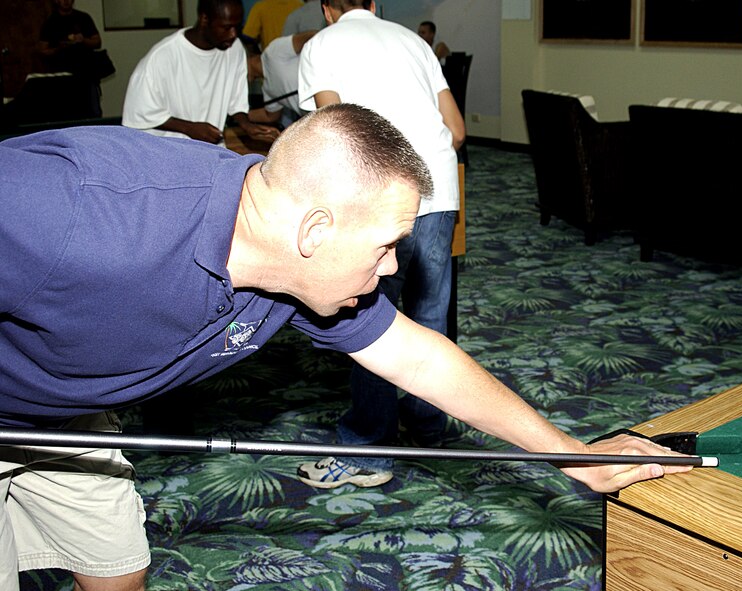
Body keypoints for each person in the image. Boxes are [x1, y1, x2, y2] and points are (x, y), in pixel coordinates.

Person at [0, 103, 691, 590]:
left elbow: (419, 358)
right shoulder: (77, 208)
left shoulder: (296, 273)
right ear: (315, 232)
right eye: (385, 245)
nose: (393, 267)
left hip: (67, 411)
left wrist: (571, 456)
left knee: (117, 570)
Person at [295, 0, 465, 488]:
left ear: (329, 9)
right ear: (373, 4)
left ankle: (369, 452)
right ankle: (428, 427)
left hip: (379, 200)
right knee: (430, 316)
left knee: (372, 323)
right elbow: (456, 130)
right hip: (438, 189)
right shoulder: (414, 41)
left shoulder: (322, 45)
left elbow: (337, 131)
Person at [122, 0, 279, 146]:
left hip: (210, 150)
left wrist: (247, 125)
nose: (233, 35)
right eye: (226, 27)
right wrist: (190, 128)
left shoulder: (234, 48)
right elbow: (138, 114)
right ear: (204, 19)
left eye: (237, 27)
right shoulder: (162, 57)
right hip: (168, 153)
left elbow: (235, 101)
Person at [37, 0, 104, 116]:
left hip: (86, 73)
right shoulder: (51, 22)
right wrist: (59, 48)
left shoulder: (83, 18)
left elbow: (97, 42)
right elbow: (43, 51)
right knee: (64, 112)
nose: (66, 1)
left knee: (92, 110)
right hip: (61, 75)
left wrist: (83, 40)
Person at [247, 31, 317, 127]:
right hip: (319, 121)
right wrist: (238, 115)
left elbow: (312, 36)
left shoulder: (272, 52)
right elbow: (270, 116)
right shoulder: (267, 90)